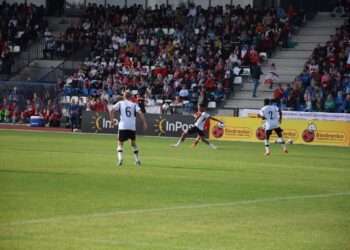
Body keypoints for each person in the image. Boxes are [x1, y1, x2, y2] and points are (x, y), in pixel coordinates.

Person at [109, 90, 148, 166]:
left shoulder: (120, 103)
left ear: (124, 96)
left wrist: (112, 121)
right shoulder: (134, 104)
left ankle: (120, 159)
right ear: (131, 97)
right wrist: (145, 123)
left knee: (120, 144)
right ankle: (137, 160)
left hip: (122, 126)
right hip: (131, 127)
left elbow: (111, 110)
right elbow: (140, 112)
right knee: (133, 144)